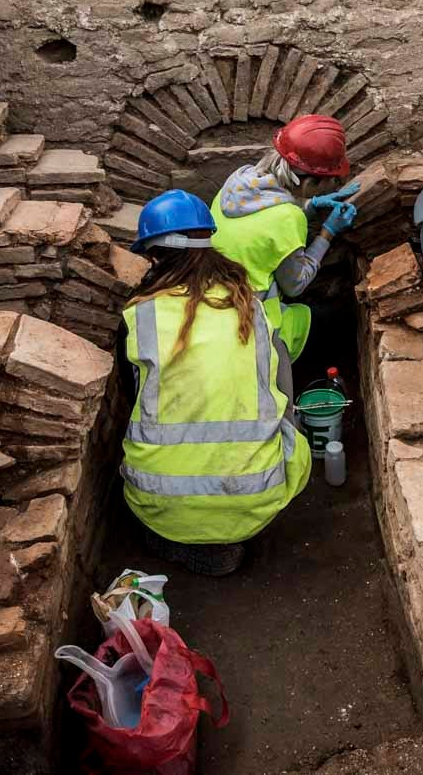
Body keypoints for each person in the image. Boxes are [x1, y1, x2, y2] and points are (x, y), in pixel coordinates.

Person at [120, 190, 312, 577]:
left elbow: (133, 397)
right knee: (297, 441)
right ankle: (231, 529)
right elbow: (281, 394)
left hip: (158, 500)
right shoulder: (251, 308)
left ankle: (178, 538)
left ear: (155, 256)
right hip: (257, 495)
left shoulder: (140, 316)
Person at [209, 114, 360, 363]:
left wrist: (310, 205)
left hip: (209, 301)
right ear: (310, 182)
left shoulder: (239, 180)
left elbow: (261, 226)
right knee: (339, 319)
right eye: (332, 181)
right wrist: (328, 232)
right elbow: (295, 285)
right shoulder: (288, 218)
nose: (333, 186)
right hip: (247, 318)